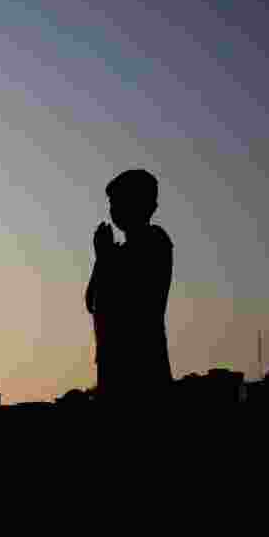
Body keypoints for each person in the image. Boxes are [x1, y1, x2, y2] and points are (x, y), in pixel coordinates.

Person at [84, 169, 173, 416]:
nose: (114, 210)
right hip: (112, 367)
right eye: (112, 204)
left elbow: (131, 295)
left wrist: (105, 258)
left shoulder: (156, 241)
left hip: (143, 368)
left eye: (119, 202)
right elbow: (92, 301)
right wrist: (101, 259)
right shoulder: (115, 253)